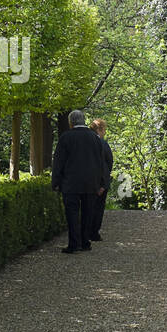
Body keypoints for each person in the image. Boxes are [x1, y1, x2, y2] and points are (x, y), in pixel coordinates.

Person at [51, 108, 105, 253]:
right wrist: (102, 183)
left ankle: (74, 244)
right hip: (90, 183)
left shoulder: (66, 137)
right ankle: (85, 242)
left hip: (71, 183)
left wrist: (55, 182)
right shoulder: (94, 138)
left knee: (72, 214)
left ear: (71, 123)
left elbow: (59, 162)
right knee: (88, 213)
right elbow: (101, 162)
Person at [88, 118, 113, 242]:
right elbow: (109, 162)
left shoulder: (85, 142)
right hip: (101, 181)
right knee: (98, 208)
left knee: (88, 207)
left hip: (88, 181)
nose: (105, 133)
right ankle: (94, 233)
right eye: (104, 130)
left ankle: (86, 231)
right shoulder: (103, 144)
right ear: (100, 129)